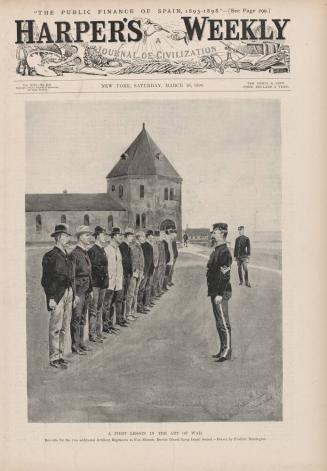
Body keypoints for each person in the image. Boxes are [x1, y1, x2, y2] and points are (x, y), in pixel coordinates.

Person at [41, 223, 75, 369]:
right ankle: (54, 357)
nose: (68, 239)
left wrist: (73, 293)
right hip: (57, 295)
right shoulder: (50, 256)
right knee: (55, 327)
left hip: (68, 293)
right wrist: (51, 298)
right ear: (59, 237)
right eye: (66, 236)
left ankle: (60, 355)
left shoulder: (66, 254)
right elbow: (46, 280)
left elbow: (71, 276)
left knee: (64, 327)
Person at [206, 222, 233, 363]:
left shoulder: (224, 252)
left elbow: (225, 275)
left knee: (223, 322)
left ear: (222, 233)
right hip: (214, 291)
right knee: (219, 323)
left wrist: (220, 294)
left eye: (215, 232)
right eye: (213, 232)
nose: (213, 235)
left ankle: (227, 351)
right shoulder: (217, 250)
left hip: (220, 292)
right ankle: (222, 349)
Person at [70, 225, 93, 355]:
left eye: (89, 235)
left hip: (86, 288)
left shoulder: (85, 252)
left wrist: (90, 289)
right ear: (79, 237)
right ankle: (75, 345)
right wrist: (76, 294)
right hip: (79, 290)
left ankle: (81, 343)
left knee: (83, 317)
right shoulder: (74, 253)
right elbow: (72, 276)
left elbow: (89, 273)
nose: (89, 237)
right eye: (86, 235)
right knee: (76, 318)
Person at [87, 226, 109, 344]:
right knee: (94, 309)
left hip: (103, 284)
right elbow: (91, 270)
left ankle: (99, 332)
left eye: (105, 235)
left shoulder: (102, 249)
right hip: (95, 284)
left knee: (99, 309)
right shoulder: (92, 250)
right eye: (102, 234)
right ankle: (92, 334)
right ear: (97, 236)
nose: (104, 237)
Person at [103, 227, 127, 330]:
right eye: (118, 235)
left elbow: (119, 265)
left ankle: (112, 323)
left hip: (118, 281)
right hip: (110, 282)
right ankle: (106, 325)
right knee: (107, 304)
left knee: (116, 302)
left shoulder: (118, 249)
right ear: (113, 237)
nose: (120, 237)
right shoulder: (107, 249)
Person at [137, 230, 154, 313]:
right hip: (144, 271)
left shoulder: (148, 246)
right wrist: (143, 272)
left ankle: (145, 304)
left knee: (146, 288)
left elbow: (150, 260)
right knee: (141, 289)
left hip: (148, 271)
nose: (143, 238)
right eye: (142, 237)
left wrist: (151, 270)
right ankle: (140, 307)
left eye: (144, 237)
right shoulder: (141, 247)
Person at [129, 231, 145, 316]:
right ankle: (129, 313)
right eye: (143, 237)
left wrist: (142, 272)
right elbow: (134, 261)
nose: (144, 238)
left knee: (135, 292)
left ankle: (133, 311)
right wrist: (135, 271)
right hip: (135, 273)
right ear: (138, 237)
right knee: (131, 293)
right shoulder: (134, 247)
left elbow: (141, 260)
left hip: (140, 272)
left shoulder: (139, 246)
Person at [119, 228, 134, 322]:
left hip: (127, 274)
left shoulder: (128, 246)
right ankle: (121, 317)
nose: (132, 238)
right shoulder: (122, 246)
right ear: (126, 237)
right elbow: (123, 262)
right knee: (122, 296)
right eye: (131, 236)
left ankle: (124, 316)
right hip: (124, 275)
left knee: (125, 295)